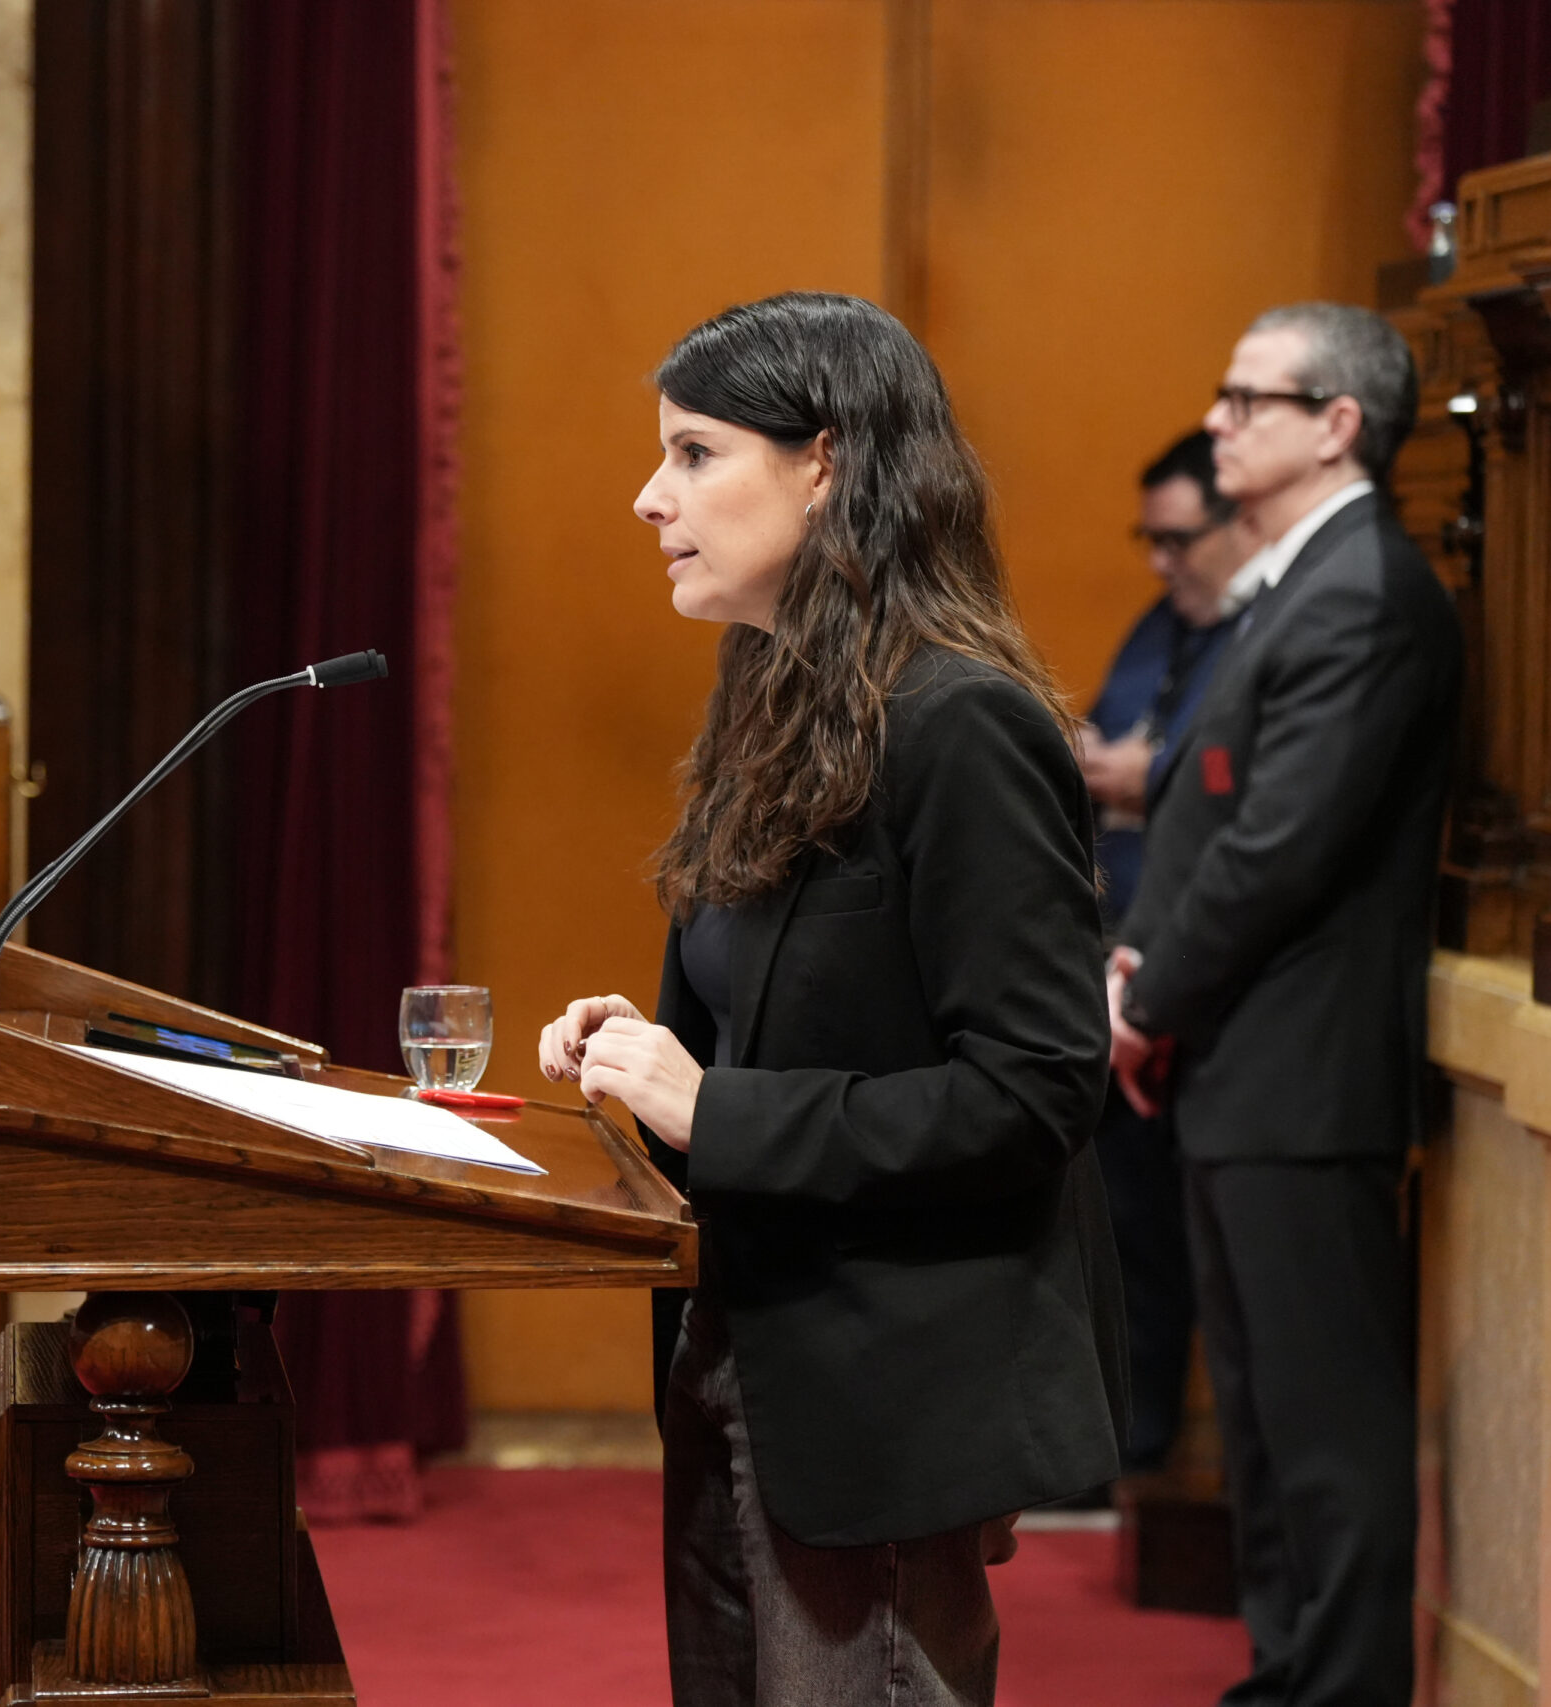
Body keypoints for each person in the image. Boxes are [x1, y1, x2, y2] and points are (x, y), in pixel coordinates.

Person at [536, 293, 1124, 1706]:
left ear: (825, 463)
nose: (649, 496)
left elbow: (1035, 1090)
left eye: (694, 453)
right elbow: (790, 1022)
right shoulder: (773, 695)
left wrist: (718, 1106)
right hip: (746, 1340)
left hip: (885, 1381)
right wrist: (652, 1056)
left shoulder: (962, 722)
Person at [1109, 302, 1461, 1707]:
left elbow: (1279, 850)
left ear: (1336, 425)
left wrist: (1146, 995)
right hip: (1243, 1063)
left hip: (1303, 1077)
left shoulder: (1362, 588)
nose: (1218, 419)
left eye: (1248, 398)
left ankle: (1340, 1687)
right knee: (1260, 1421)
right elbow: (1220, 815)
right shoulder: (1302, 579)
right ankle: (1285, 1678)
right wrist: (1145, 966)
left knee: (1323, 1427)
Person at [1079, 429, 1256, 1474]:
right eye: (1147, 539)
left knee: (1186, 1241)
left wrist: (1140, 778)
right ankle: (1114, 1440)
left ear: (1238, 525)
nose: (1160, 560)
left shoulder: (1268, 628)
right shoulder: (1163, 623)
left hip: (1209, 987)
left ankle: (1152, 1446)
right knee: (1118, 1218)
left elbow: (1227, 791)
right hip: (1113, 964)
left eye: (1178, 539)